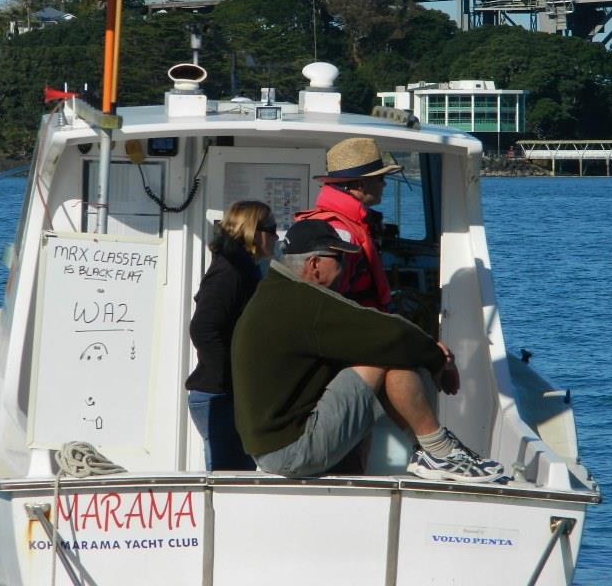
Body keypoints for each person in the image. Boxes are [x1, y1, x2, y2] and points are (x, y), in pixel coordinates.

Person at [232, 219, 505, 483]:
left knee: (382, 350)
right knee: (385, 356)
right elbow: (392, 334)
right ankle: (440, 451)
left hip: (269, 449)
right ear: (314, 264)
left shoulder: (274, 292)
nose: (346, 269)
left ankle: (430, 452)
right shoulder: (304, 303)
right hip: (291, 452)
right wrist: (436, 358)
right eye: (340, 260)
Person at [185, 200, 278, 470]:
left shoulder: (242, 268)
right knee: (229, 477)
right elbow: (202, 328)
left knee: (238, 473)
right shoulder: (229, 271)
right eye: (271, 228)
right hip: (218, 394)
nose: (275, 235)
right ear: (253, 230)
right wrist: (229, 375)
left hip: (227, 393)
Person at [296, 137, 399, 311]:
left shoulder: (344, 224)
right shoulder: (340, 232)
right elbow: (327, 302)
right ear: (360, 184)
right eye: (381, 178)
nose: (385, 184)